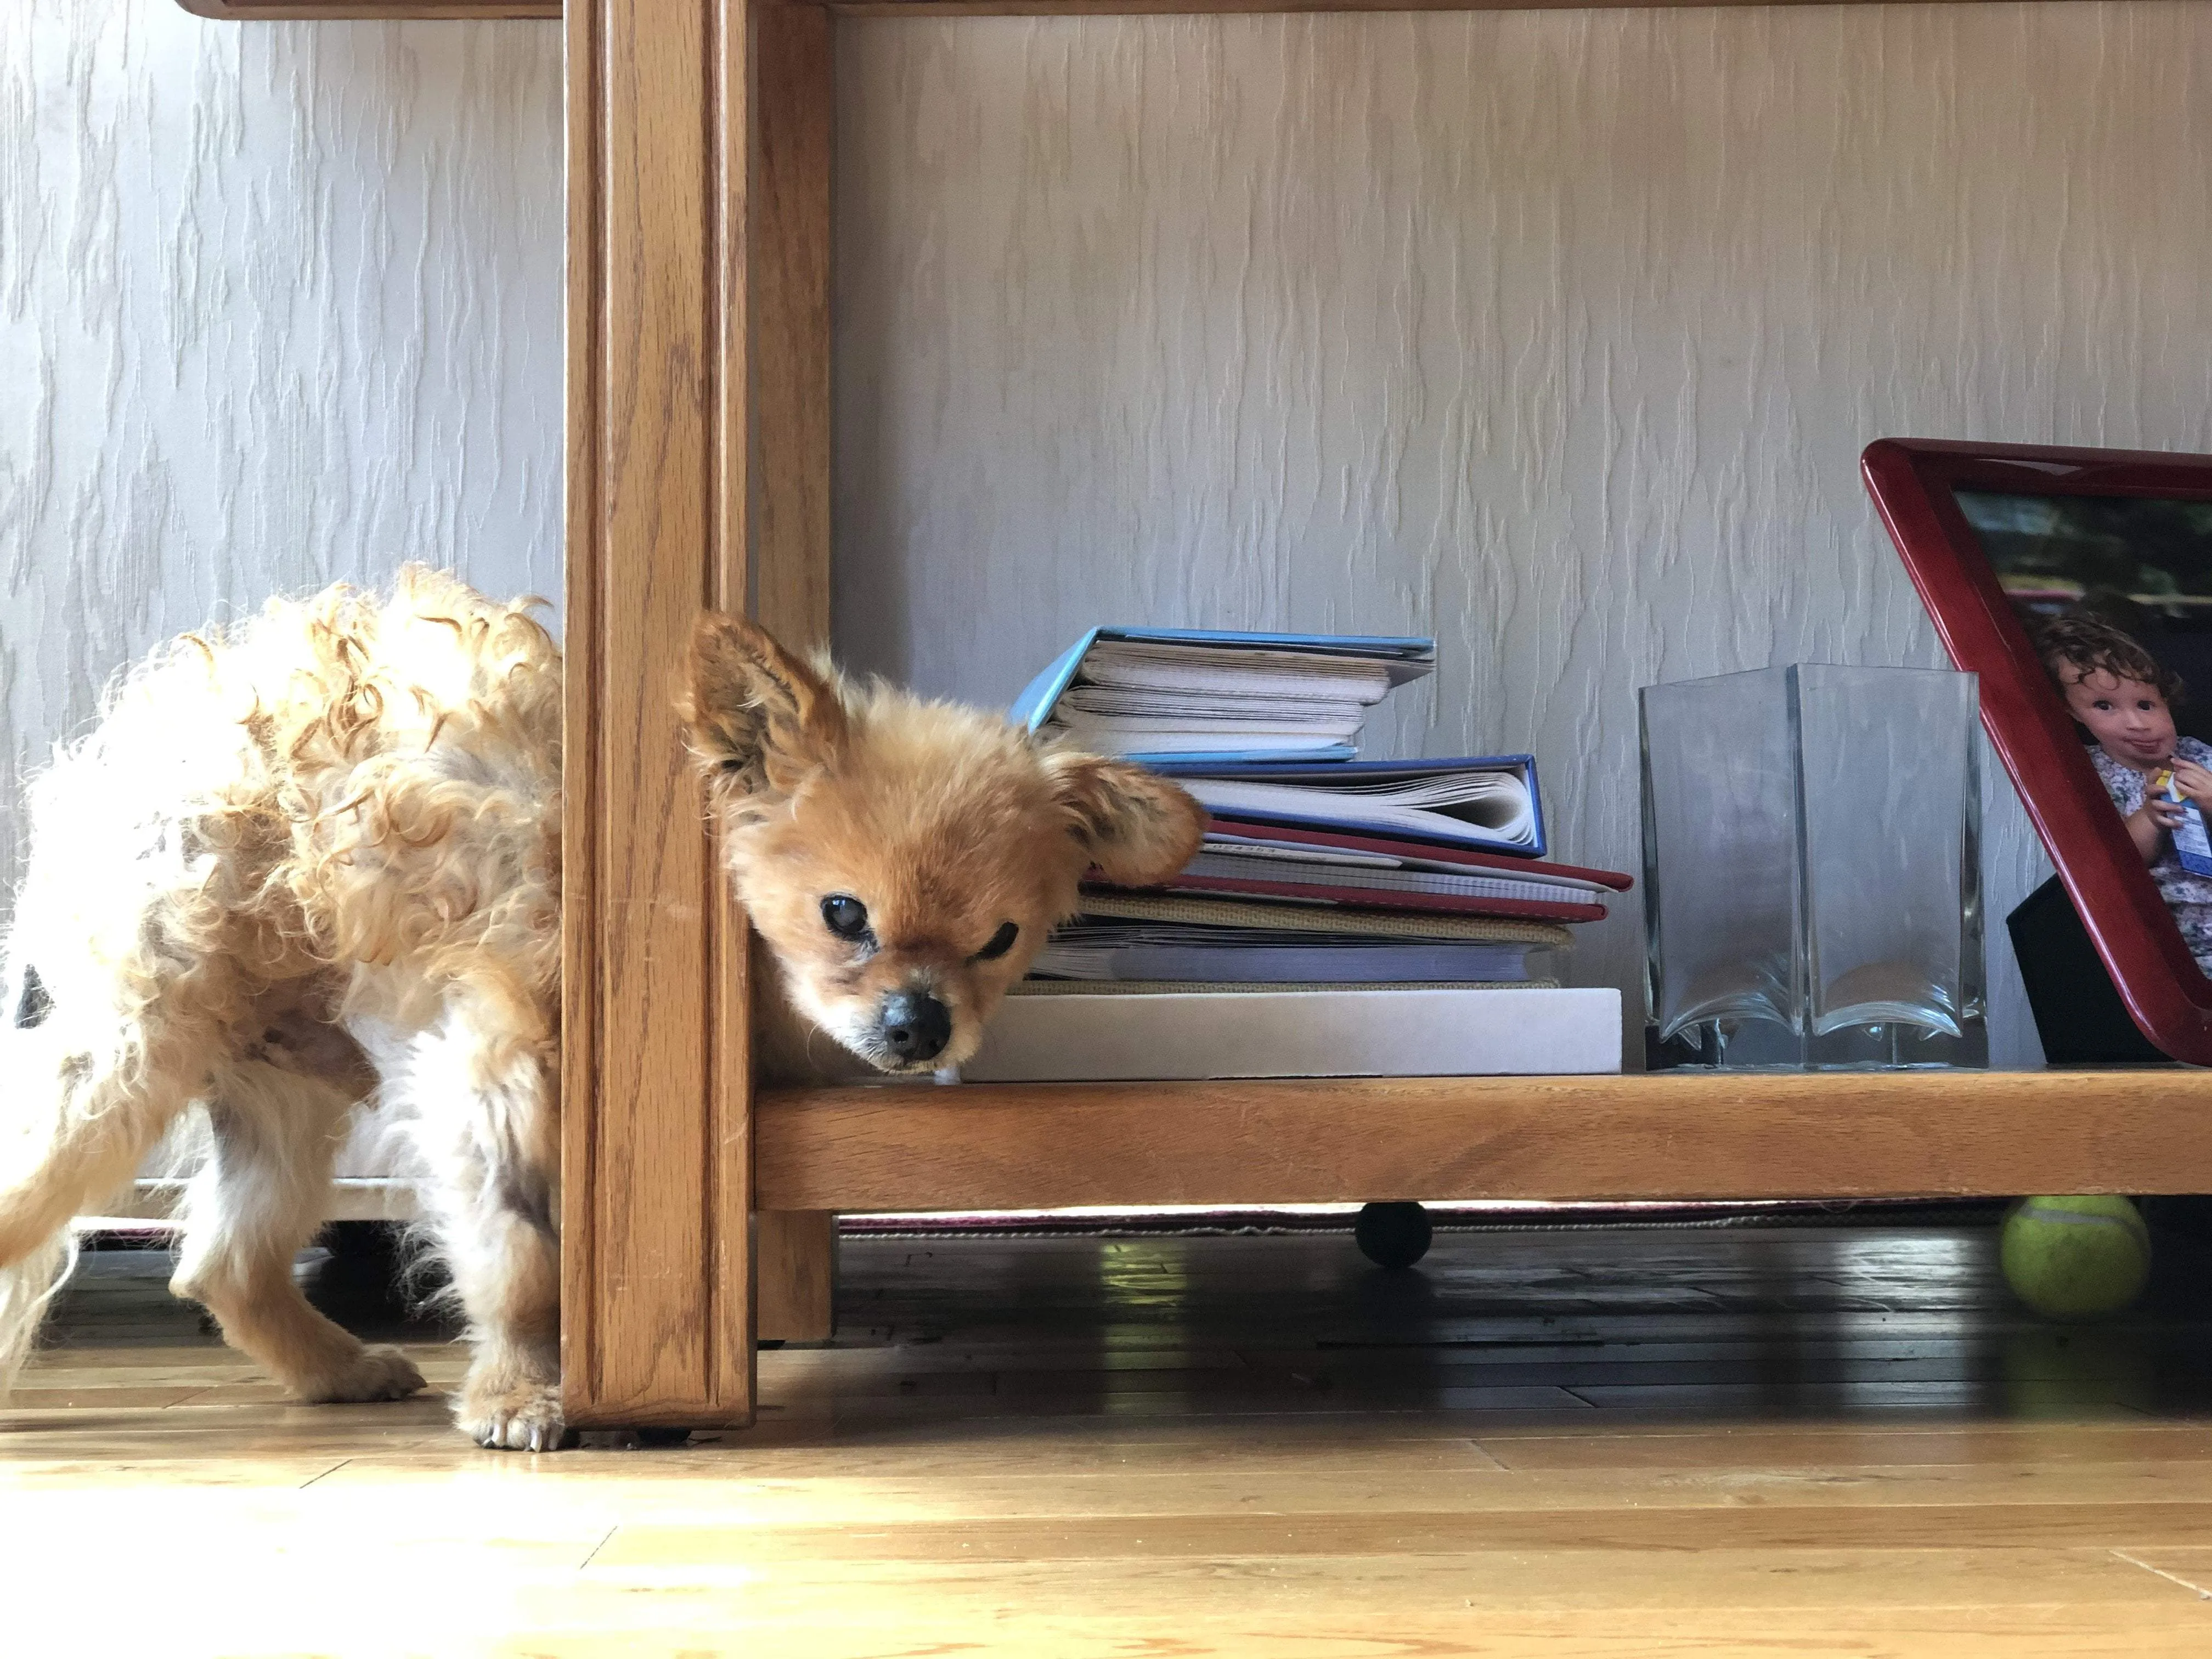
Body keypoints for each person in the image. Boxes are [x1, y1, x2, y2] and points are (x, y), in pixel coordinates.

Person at [2034, 613, 2212, 971]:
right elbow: (2116, 863)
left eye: (2146, 705)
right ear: (2072, 711)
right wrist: (2149, 818)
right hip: (2166, 939)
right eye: (2105, 707)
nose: (2136, 723)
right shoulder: (2088, 776)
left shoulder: (2201, 758)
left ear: (2167, 700)